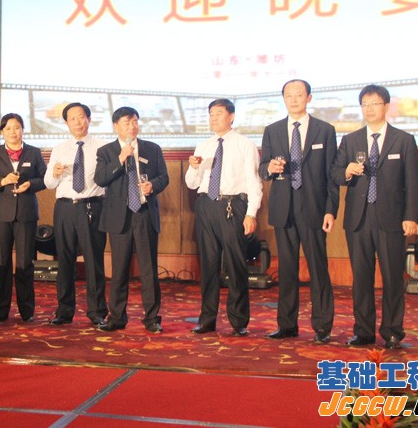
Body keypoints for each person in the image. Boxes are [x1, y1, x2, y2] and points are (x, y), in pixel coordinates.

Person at [331, 84, 418, 350]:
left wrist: (411, 216)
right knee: (361, 277)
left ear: (386, 106)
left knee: (392, 277)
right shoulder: (351, 140)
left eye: (375, 104)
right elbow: (335, 174)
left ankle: (392, 331)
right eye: (365, 105)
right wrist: (347, 171)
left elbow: (412, 183)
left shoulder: (403, 140)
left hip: (391, 218)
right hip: (358, 218)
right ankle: (363, 331)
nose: (369, 109)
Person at [259, 80, 339, 343]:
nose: (293, 100)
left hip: (314, 209)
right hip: (283, 209)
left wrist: (330, 209)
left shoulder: (324, 130)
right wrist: (270, 168)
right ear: (283, 99)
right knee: (286, 270)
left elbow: (331, 175)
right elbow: (262, 169)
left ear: (309, 98)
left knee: (318, 269)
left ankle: (322, 327)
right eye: (288, 95)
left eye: (299, 95)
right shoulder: (272, 130)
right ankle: (287, 325)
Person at [185, 99, 262, 336]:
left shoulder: (245, 145)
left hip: (232, 206)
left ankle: (238, 321)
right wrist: (193, 167)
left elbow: (254, 182)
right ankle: (207, 320)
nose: (213, 118)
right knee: (208, 265)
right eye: (211, 114)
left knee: (236, 264)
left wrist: (251, 214)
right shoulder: (203, 146)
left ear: (232, 116)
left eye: (218, 113)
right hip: (206, 206)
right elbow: (192, 183)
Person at [94, 107, 169, 333]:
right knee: (119, 270)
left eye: (135, 122)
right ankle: (116, 317)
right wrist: (120, 158)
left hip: (144, 214)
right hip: (120, 217)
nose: (132, 126)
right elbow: (100, 179)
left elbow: (164, 177)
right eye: (127, 122)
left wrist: (152, 185)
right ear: (115, 126)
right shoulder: (106, 151)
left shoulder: (152, 149)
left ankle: (152, 318)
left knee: (148, 270)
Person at [44, 103, 108, 327]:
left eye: (81, 117)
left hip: (92, 206)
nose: (78, 122)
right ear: (66, 123)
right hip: (64, 208)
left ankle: (97, 311)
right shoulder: (59, 149)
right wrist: (54, 173)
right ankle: (64, 311)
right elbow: (48, 183)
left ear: (89, 119)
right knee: (65, 261)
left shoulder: (103, 147)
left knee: (93, 261)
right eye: (72, 119)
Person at [0, 113, 47, 322]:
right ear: (2, 131)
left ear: (23, 130)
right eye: (8, 128)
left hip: (26, 213)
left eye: (17, 127)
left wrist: (30, 184)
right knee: (2, 263)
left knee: (25, 263)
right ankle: (1, 310)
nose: (13, 132)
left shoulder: (34, 152)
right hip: (1, 214)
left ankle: (27, 311)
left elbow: (44, 179)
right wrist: (2, 181)